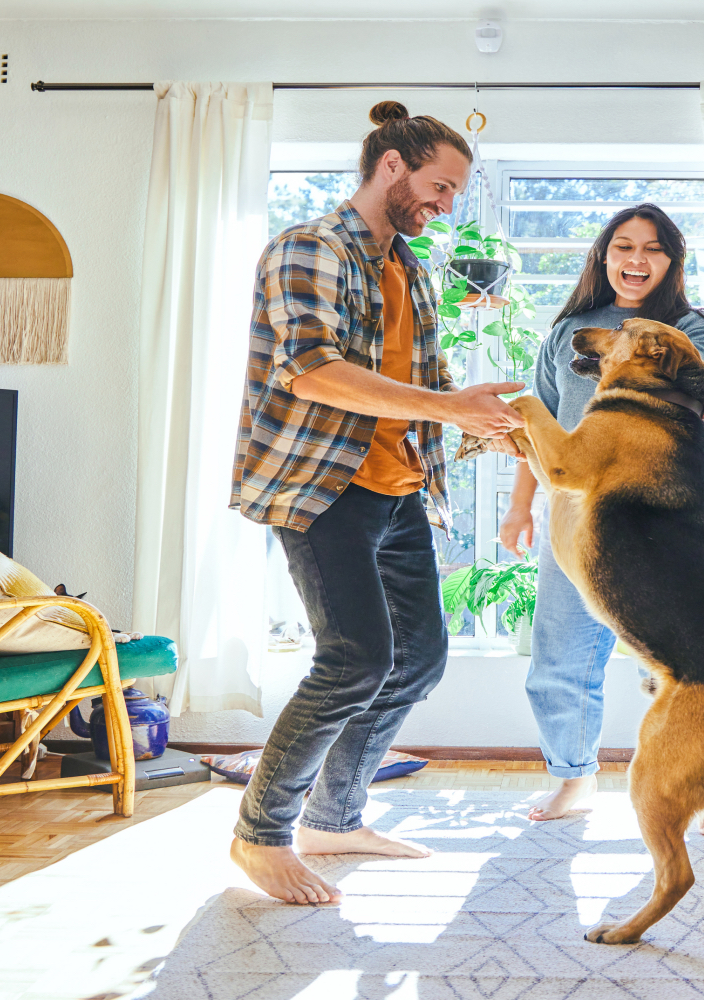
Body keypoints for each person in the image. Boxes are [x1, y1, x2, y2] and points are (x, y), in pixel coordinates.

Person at [226, 101, 526, 905]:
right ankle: (261, 833)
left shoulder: (411, 268)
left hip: (397, 490)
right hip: (323, 487)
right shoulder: (309, 248)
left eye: (457, 191)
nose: (447, 204)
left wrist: (485, 424)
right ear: (391, 166)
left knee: (419, 657)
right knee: (354, 656)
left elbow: (420, 391)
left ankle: (335, 815)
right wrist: (448, 406)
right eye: (440, 184)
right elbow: (315, 370)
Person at [498, 204, 704, 835]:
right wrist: (520, 504)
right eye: (623, 247)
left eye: (653, 249)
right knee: (560, 650)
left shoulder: (695, 330)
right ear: (603, 256)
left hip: (667, 512)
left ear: (672, 261)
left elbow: (688, 399)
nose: (636, 260)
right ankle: (575, 778)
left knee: (675, 657)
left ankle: (699, 780)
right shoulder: (570, 329)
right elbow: (539, 420)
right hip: (575, 511)